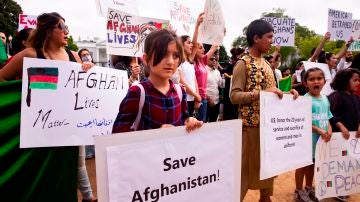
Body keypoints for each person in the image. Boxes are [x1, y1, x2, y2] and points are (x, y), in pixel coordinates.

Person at [0, 12, 93, 201]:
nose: (67, 32)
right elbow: (2, 78)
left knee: (73, 166)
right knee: (43, 170)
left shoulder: (74, 56)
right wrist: (22, 96)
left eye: (68, 27)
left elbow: (84, 86)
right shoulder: (30, 55)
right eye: (63, 27)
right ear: (49, 31)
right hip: (41, 130)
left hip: (70, 126)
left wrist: (89, 70)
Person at [230, 19, 298, 202]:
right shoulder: (242, 64)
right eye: (269, 37)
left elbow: (272, 94)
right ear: (256, 38)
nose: (272, 41)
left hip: (269, 128)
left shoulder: (267, 65)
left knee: (268, 169)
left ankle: (265, 199)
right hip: (249, 128)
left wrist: (288, 93)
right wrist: (259, 94)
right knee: (244, 172)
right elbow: (234, 96)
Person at [112, 29, 203, 133]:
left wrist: (189, 122)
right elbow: (117, 134)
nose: (170, 62)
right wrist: (156, 135)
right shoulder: (137, 93)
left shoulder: (180, 91)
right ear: (146, 59)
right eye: (163, 54)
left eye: (176, 56)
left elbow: (183, 120)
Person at [294, 67, 333, 202]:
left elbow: (327, 117)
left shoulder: (325, 99)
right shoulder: (304, 100)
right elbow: (302, 123)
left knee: (312, 165)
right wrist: (319, 130)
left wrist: (329, 128)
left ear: (324, 81)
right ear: (305, 83)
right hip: (306, 141)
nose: (316, 82)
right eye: (311, 79)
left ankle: (308, 188)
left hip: (319, 142)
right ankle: (298, 190)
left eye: (319, 78)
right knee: (302, 165)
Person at [328, 68, 360, 202]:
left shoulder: (356, 97)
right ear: (345, 80)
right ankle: (337, 189)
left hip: (353, 138)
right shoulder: (336, 96)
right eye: (355, 80)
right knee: (339, 164)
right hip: (339, 137)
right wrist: (341, 126)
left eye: (359, 80)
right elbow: (331, 116)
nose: (358, 83)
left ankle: (345, 187)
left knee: (350, 163)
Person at [193, 13, 220, 122]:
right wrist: (197, 25)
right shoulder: (192, 62)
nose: (203, 50)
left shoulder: (202, 62)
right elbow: (194, 43)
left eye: (203, 48)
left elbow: (213, 48)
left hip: (203, 100)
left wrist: (220, 34)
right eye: (200, 48)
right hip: (196, 100)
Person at [178, 34, 201, 117]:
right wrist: (196, 95)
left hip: (192, 99)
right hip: (183, 100)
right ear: (181, 45)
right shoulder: (179, 61)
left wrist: (197, 97)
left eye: (191, 43)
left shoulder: (190, 60)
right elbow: (181, 81)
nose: (192, 45)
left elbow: (194, 80)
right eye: (189, 43)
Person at [206, 53, 225, 122]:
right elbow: (200, 88)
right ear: (206, 59)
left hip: (216, 102)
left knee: (213, 123)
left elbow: (221, 85)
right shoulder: (204, 71)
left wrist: (224, 77)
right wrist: (208, 99)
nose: (214, 61)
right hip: (206, 102)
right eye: (212, 59)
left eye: (216, 59)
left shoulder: (217, 72)